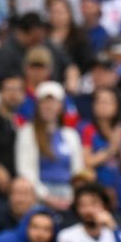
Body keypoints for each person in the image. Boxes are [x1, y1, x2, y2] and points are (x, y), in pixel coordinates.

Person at [15, 81, 84, 214]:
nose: (49, 106)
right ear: (38, 105)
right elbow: (25, 171)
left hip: (68, 197)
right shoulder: (27, 132)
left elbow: (77, 170)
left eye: (53, 102)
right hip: (38, 196)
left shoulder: (71, 134)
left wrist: (71, 197)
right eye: (44, 102)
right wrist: (47, 197)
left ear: (61, 106)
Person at [81, 87, 121, 221]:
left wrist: (120, 146)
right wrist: (111, 148)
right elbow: (87, 162)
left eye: (108, 102)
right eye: (99, 102)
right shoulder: (87, 129)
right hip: (95, 195)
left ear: (117, 106)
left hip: (120, 195)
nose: (103, 106)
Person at [0, 73, 25, 241]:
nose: (13, 94)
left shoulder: (21, 120)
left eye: (17, 90)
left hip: (14, 187)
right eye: (9, 89)